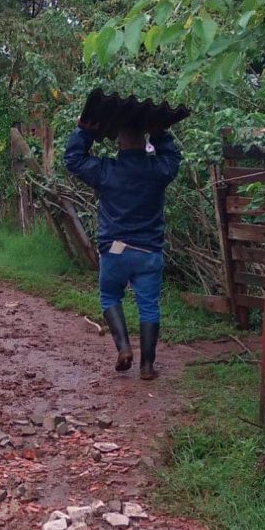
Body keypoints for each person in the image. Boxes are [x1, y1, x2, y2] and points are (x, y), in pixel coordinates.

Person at [63, 119, 181, 380]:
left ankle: (124, 348)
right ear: (145, 140)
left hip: (115, 252)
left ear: (118, 142)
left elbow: (73, 159)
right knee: (148, 306)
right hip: (148, 252)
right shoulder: (157, 171)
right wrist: (160, 133)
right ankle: (147, 366)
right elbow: (173, 159)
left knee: (109, 297)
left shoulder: (106, 170)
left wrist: (86, 132)